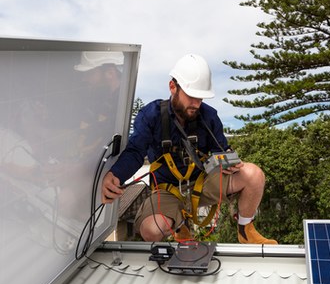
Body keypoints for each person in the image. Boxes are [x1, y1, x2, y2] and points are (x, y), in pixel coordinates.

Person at [101, 54, 277, 244]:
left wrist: (228, 162)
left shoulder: (208, 116)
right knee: (151, 230)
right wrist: (116, 175)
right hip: (167, 190)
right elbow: (135, 152)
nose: (196, 103)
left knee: (254, 175)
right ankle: (180, 224)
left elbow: (221, 149)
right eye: (191, 96)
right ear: (173, 87)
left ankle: (245, 230)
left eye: (200, 97)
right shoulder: (151, 116)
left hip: (202, 183)